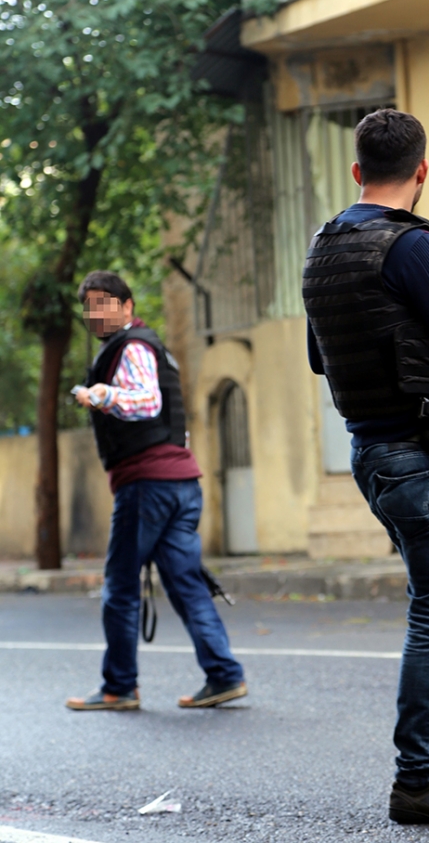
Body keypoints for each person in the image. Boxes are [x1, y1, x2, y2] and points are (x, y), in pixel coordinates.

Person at [302, 110, 429, 824]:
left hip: (373, 454)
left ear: (358, 171)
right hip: (428, 456)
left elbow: (316, 356)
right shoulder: (411, 246)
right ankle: (419, 778)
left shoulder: (325, 245)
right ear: (421, 172)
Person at [66, 271, 245, 712]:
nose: (96, 311)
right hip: (181, 482)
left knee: (122, 586)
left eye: (104, 301)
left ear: (127, 306)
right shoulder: (147, 347)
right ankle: (224, 675)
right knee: (186, 584)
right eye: (89, 304)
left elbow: (147, 402)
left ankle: (118, 687)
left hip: (149, 486)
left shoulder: (134, 347)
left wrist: (102, 394)